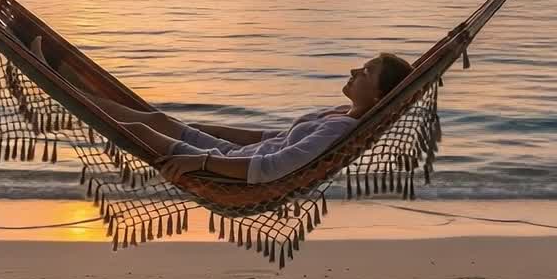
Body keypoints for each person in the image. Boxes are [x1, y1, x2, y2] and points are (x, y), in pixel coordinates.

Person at [87, 53, 414, 184]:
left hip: (220, 166)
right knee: (155, 118)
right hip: (229, 153)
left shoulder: (340, 130)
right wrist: (203, 129)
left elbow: (273, 166)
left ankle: (61, 91)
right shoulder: (338, 114)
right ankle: (62, 80)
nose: (355, 71)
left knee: (134, 128)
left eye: (366, 72)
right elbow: (268, 138)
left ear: (378, 96)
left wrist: (199, 162)